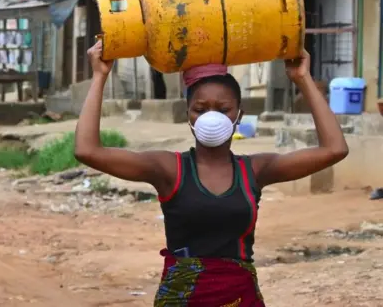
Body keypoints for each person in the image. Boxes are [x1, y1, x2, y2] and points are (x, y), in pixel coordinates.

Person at [74, 41, 349, 307]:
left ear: (239, 116)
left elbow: (334, 149)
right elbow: (87, 150)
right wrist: (100, 76)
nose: (211, 117)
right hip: (182, 298)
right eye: (200, 109)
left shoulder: (254, 170)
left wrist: (302, 78)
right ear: (188, 116)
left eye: (223, 109)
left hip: (239, 297)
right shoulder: (169, 169)